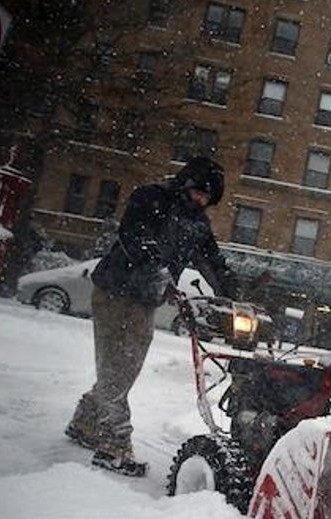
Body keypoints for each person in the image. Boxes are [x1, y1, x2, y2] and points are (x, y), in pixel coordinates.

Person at [66, 157, 239, 477]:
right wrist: (159, 271)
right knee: (117, 367)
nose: (202, 199)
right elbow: (135, 238)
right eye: (199, 191)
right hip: (115, 291)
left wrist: (234, 290)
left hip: (145, 300)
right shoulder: (150, 197)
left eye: (208, 197)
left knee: (123, 367)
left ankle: (85, 421)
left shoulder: (198, 224)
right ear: (187, 183)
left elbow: (212, 262)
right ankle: (113, 447)